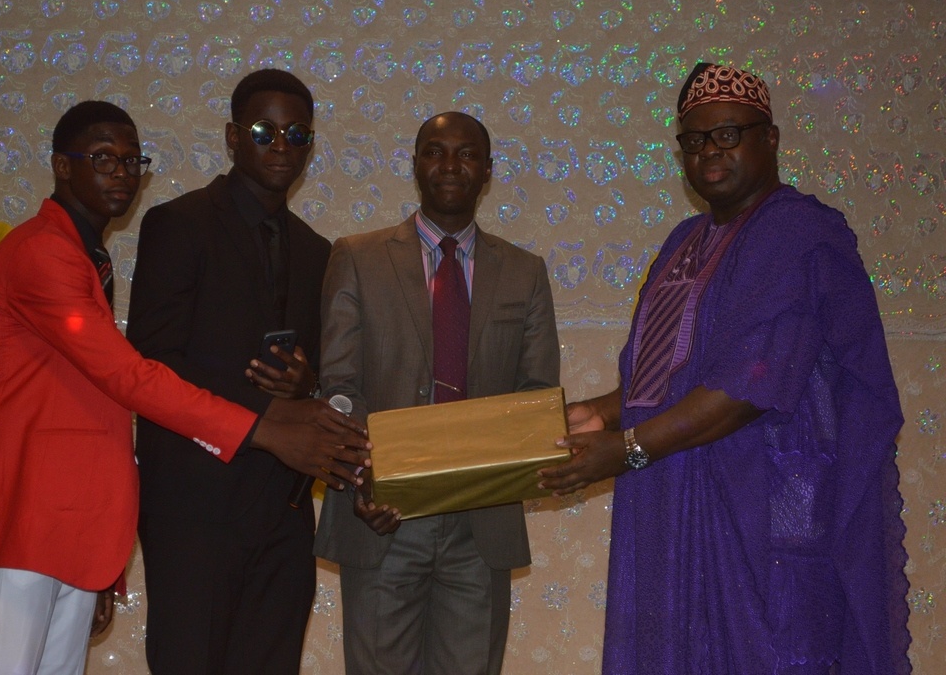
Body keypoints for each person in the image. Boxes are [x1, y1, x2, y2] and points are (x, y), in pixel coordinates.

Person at [0, 100, 369, 675]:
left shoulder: (84, 257)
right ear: (62, 166)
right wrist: (263, 431)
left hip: (72, 525)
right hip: (23, 515)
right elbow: (129, 376)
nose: (121, 173)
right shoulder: (41, 254)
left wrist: (100, 563)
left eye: (131, 160)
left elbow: (96, 406)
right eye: (102, 159)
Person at [539, 63, 911, 673]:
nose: (710, 150)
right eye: (694, 139)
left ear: (771, 138)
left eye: (729, 134)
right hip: (671, 499)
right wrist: (601, 413)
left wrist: (628, 448)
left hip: (763, 514)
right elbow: (670, 375)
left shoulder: (799, 232)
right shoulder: (683, 241)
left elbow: (751, 384)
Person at [314, 111, 560, 675]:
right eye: (435, 151)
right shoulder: (357, 257)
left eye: (466, 153)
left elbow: (537, 394)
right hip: (381, 515)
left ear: (488, 170)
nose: (450, 165)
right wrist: (364, 477)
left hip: (482, 523)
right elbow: (340, 389)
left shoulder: (524, 272)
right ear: (415, 165)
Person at [125, 69, 333, 675]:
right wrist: (269, 412)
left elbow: (321, 370)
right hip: (194, 503)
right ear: (233, 137)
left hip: (282, 507)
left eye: (297, 134)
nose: (281, 146)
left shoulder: (318, 250)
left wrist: (307, 385)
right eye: (265, 131)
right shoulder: (179, 223)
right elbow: (154, 359)